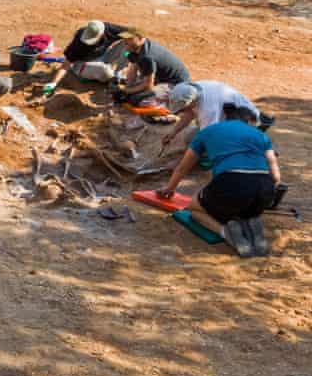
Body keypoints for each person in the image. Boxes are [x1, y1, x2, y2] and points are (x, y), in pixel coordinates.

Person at [158, 113, 280, 258]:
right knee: (242, 205)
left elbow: (182, 169)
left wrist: (169, 189)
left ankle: (226, 233)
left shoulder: (207, 131)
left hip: (233, 181)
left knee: (194, 208)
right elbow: (276, 177)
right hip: (264, 188)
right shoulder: (260, 135)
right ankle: (250, 220)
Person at [162, 80, 261, 149]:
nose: (181, 112)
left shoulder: (208, 110)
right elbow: (189, 113)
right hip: (233, 114)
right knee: (191, 138)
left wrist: (180, 163)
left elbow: (206, 137)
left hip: (247, 123)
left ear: (190, 103)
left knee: (196, 141)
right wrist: (173, 132)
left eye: (181, 109)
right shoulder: (193, 90)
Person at [45, 20, 131, 93]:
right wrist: (53, 83)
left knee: (128, 42)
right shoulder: (79, 40)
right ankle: (112, 78)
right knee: (105, 70)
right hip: (83, 65)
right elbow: (65, 65)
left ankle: (115, 74)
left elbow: (134, 33)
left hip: (103, 57)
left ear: (102, 34)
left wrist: (132, 57)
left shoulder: (110, 29)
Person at [117, 29, 190, 107]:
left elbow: (148, 86)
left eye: (129, 39)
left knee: (139, 101)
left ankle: (171, 103)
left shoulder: (147, 56)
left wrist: (127, 91)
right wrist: (128, 86)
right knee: (128, 90)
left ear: (140, 38)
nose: (125, 42)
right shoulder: (134, 49)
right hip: (159, 79)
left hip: (177, 85)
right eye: (124, 39)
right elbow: (133, 68)